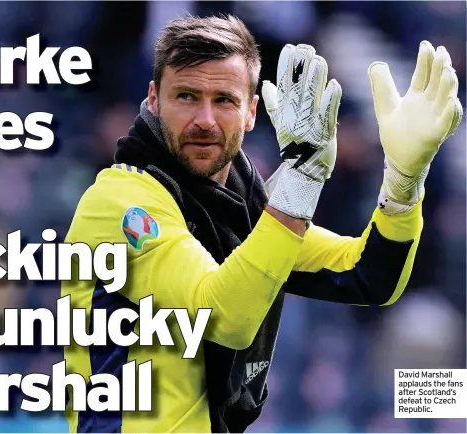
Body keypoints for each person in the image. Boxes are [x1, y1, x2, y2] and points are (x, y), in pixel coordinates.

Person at [62, 14, 462, 433]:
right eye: (185, 96)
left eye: (224, 100)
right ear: (154, 100)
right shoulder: (116, 202)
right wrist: (300, 183)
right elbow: (221, 319)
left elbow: (368, 276)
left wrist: (403, 182)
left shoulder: (245, 210)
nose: (205, 120)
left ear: (251, 112)